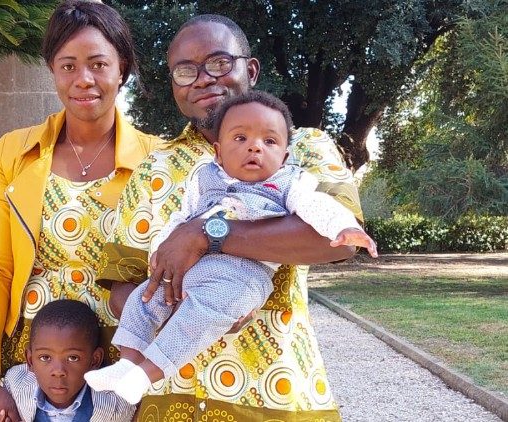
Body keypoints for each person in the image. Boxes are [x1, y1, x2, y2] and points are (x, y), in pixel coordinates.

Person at [97, 14, 362, 421]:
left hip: (274, 392)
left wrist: (208, 233)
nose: (203, 79)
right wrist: (185, 308)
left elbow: (337, 241)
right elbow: (121, 287)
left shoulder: (301, 147)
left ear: (249, 69)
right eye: (185, 71)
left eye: (219, 63)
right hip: (170, 398)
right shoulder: (154, 168)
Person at [0, 1, 162, 421]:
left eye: (97, 63)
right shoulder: (12, 154)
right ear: (52, 69)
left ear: (121, 68)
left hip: (125, 354)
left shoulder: (158, 160)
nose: (83, 79)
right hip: (36, 359)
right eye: (68, 65)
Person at [0, 300, 136, 422]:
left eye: (73, 358)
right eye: (45, 358)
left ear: (95, 360)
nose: (58, 370)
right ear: (30, 360)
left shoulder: (113, 404)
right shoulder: (18, 383)